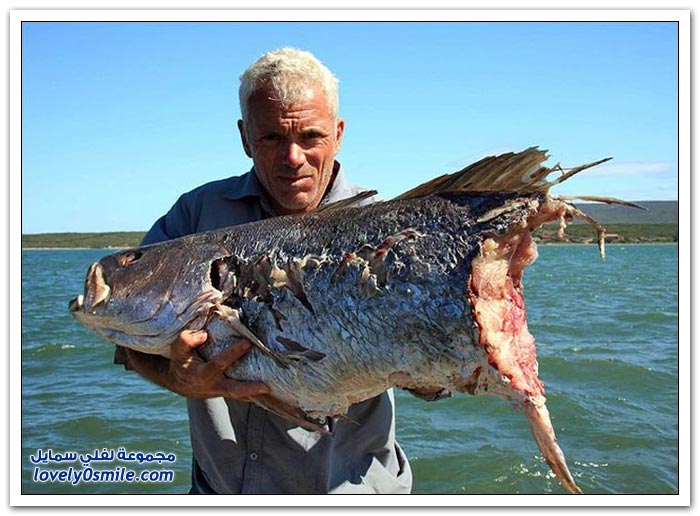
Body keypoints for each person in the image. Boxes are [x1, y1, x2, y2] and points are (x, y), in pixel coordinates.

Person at [115, 47, 412, 494]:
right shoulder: (196, 216)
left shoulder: (392, 230)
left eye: (310, 136)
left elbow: (442, 365)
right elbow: (128, 334)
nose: (292, 157)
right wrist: (178, 379)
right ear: (244, 136)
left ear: (338, 134)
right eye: (271, 137)